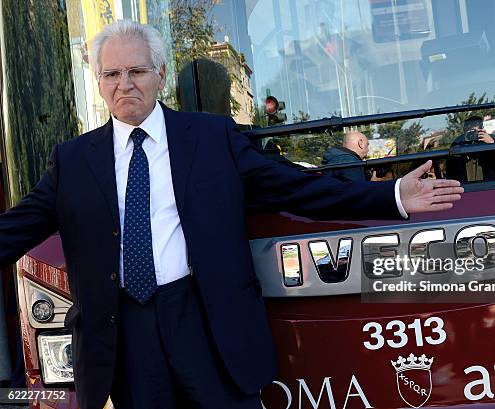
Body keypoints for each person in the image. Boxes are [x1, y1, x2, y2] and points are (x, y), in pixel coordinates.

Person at [0, 20, 463, 409]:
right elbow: (16, 227)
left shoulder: (211, 137)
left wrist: (392, 196)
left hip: (208, 326)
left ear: (161, 74)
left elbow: (295, 188)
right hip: (125, 342)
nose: (125, 85)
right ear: (98, 81)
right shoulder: (72, 161)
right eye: (112, 74)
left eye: (137, 71)